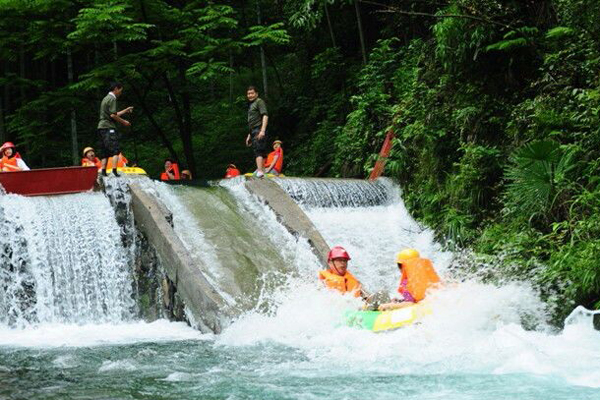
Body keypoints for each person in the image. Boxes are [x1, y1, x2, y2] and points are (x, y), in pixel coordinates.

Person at [97, 82, 133, 177]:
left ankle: (104, 171)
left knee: (104, 150)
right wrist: (124, 122)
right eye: (120, 91)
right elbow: (113, 115)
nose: (120, 93)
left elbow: (113, 113)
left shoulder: (105, 98)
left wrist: (125, 110)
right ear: (116, 89)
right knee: (115, 149)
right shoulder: (112, 98)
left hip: (101, 127)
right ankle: (114, 171)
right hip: (108, 127)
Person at [244, 86, 268, 178]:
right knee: (260, 148)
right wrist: (249, 135)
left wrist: (262, 130)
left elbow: (265, 115)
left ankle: (260, 171)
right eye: (248, 94)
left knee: (258, 149)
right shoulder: (251, 105)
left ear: (256, 94)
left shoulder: (259, 101)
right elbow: (252, 121)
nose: (250, 95)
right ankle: (262, 170)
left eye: (252, 93)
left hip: (259, 128)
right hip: (253, 130)